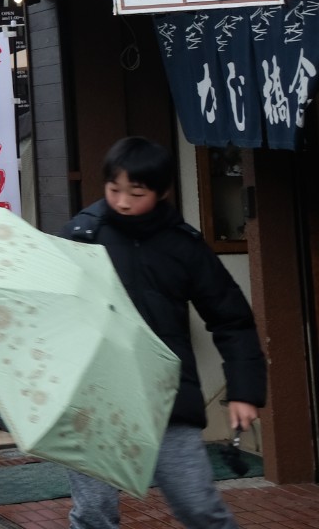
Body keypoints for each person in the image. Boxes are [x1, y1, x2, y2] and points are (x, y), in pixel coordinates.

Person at [64, 136, 265, 529]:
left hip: (166, 396)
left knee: (199, 508)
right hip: (95, 397)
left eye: (136, 193)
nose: (122, 202)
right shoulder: (82, 236)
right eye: (114, 189)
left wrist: (244, 391)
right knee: (93, 512)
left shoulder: (184, 245)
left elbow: (232, 318)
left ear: (162, 192)